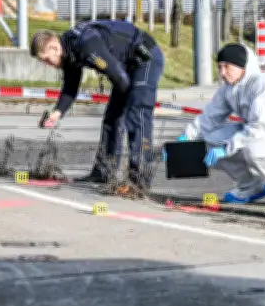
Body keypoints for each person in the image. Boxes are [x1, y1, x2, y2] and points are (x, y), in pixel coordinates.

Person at [166, 43, 265, 207]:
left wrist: (227, 148)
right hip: (254, 131)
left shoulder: (263, 86)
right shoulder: (228, 88)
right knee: (211, 140)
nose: (222, 73)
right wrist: (186, 139)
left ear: (243, 66)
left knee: (255, 148)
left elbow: (259, 127)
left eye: (227, 67)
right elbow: (210, 116)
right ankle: (251, 186)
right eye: (219, 67)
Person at [29, 20, 165, 189]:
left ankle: (140, 179)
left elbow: (119, 77)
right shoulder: (69, 50)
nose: (48, 65)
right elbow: (71, 87)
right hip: (125, 66)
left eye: (47, 60)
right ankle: (104, 171)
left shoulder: (86, 44)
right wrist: (57, 113)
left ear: (54, 48)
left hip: (145, 59)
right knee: (112, 118)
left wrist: (134, 100)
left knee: (137, 113)